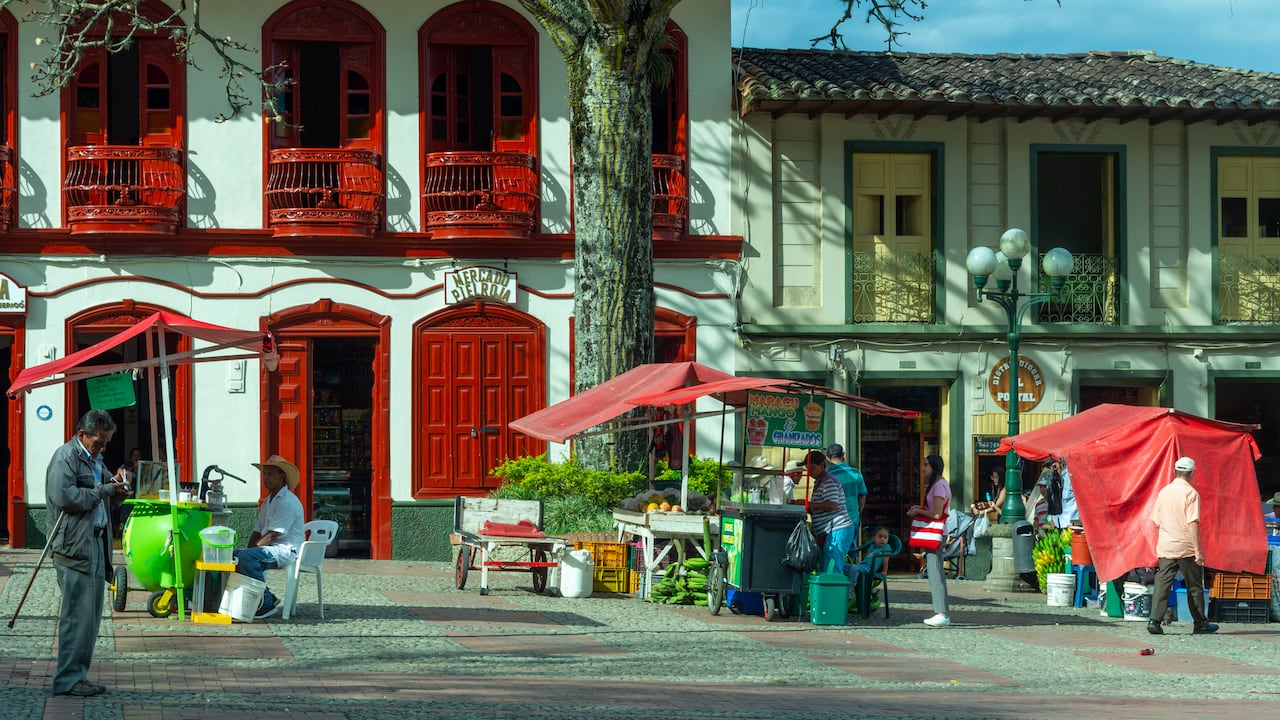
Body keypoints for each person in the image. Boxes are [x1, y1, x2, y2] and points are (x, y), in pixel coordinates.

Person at [46, 409, 130, 697]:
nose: (103, 448)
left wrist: (118, 492)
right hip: (72, 546)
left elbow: (106, 496)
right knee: (76, 617)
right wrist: (105, 490)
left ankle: (77, 675)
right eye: (99, 442)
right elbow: (65, 497)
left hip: (95, 544)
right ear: (82, 434)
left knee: (90, 618)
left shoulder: (97, 460)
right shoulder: (65, 457)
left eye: (106, 443)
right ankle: (67, 680)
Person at [1147, 456, 1217, 635]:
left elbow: (1156, 522)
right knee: (1194, 585)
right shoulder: (1191, 493)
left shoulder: (1164, 492)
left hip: (1166, 545)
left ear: (1175, 472)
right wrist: (1197, 550)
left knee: (1162, 582)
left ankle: (1154, 621)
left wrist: (1162, 541)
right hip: (1185, 546)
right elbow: (1192, 522)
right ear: (1191, 474)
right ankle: (1200, 622)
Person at [233, 455, 305, 620]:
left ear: (282, 477)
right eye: (265, 474)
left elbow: (273, 535)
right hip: (271, 548)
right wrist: (246, 551)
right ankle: (247, 601)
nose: (266, 478)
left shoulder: (286, 501)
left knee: (245, 557)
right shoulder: (268, 501)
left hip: (286, 550)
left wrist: (249, 553)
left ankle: (266, 602)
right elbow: (258, 532)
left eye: (271, 474)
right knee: (234, 556)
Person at [908, 454, 951, 627]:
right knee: (934, 571)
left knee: (935, 572)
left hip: (937, 533)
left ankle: (942, 613)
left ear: (934, 467)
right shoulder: (941, 484)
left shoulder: (939, 486)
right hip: (939, 533)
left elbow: (937, 514)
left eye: (926, 465)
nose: (923, 468)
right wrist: (920, 508)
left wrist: (917, 512)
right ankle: (941, 612)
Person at [805, 450, 855, 579]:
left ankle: (839, 597)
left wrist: (807, 504)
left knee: (832, 568)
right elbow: (820, 507)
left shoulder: (828, 481)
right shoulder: (819, 482)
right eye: (808, 469)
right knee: (827, 566)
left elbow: (833, 504)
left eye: (813, 468)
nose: (810, 472)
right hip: (829, 530)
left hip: (838, 528)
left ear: (822, 465)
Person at [824, 443, 867, 541]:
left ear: (827, 458)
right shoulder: (855, 473)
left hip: (834, 524)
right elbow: (862, 496)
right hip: (853, 520)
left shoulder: (827, 476)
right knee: (851, 552)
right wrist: (858, 511)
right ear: (843, 456)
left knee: (836, 552)